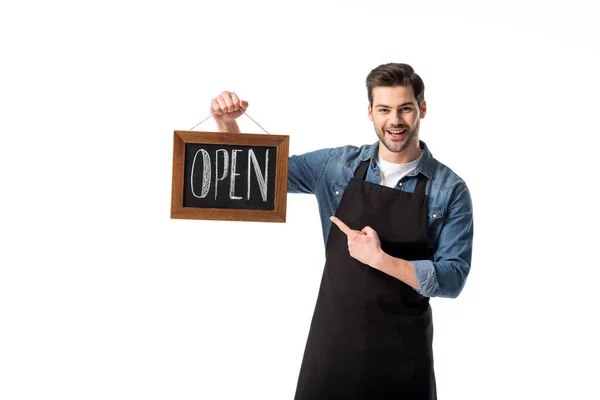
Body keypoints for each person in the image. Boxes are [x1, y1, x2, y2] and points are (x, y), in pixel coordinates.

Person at [209, 63, 474, 400]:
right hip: (332, 349)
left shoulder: (449, 190)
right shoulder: (336, 167)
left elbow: (453, 279)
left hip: (404, 358)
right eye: (384, 109)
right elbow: (256, 176)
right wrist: (227, 124)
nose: (395, 120)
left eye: (405, 108)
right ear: (370, 112)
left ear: (421, 109)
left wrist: (379, 259)